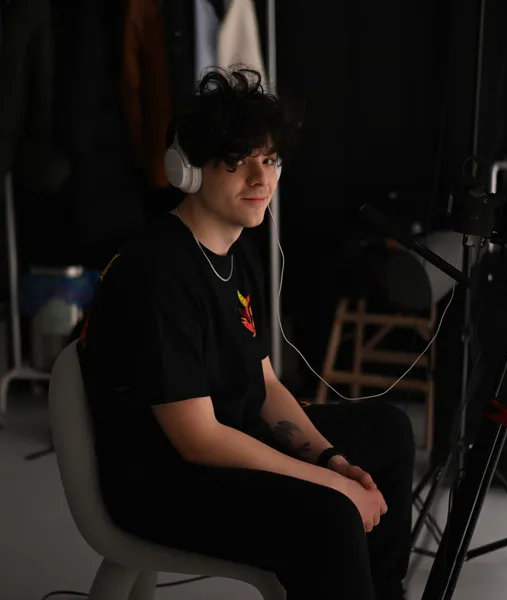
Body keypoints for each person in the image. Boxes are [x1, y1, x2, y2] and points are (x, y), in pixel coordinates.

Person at [77, 66, 415, 600]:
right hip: (165, 482)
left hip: (227, 445)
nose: (261, 179)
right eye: (238, 160)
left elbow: (265, 386)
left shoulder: (240, 252)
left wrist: (331, 459)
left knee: (387, 432)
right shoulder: (157, 271)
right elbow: (198, 439)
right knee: (330, 511)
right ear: (189, 169)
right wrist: (333, 485)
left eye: (270, 159)